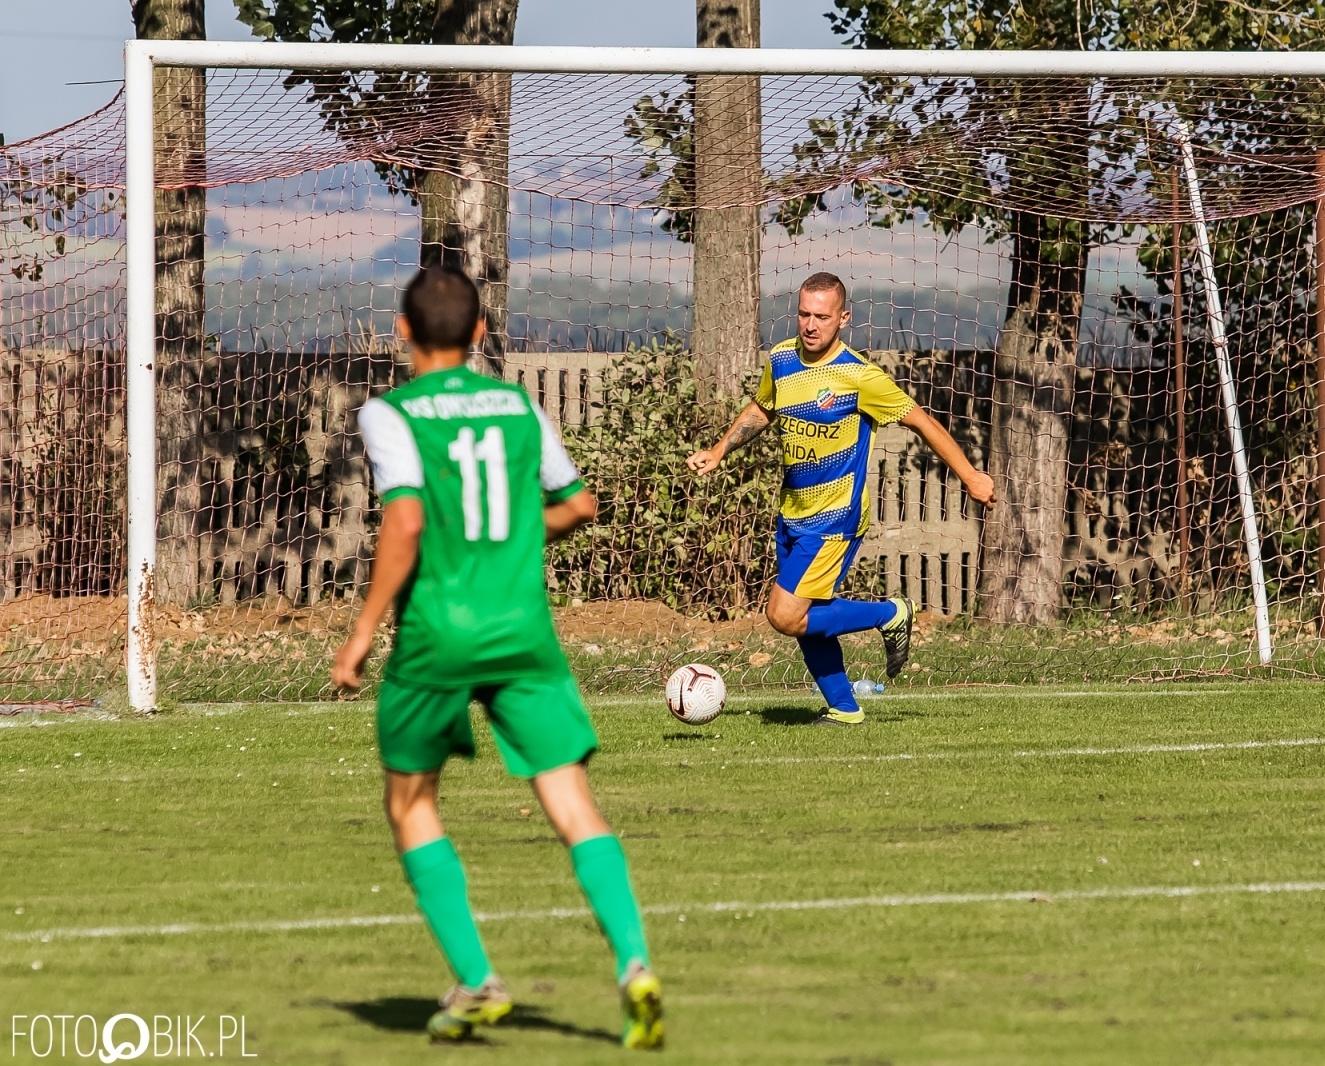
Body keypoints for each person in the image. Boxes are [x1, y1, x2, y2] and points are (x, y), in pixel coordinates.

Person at [332, 266, 663, 1049]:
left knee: (412, 804)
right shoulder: (516, 405)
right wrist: (515, 533)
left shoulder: (391, 414)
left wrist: (362, 632)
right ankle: (635, 967)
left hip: (438, 636)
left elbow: (406, 524)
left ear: (403, 332)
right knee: (572, 801)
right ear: (481, 334)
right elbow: (580, 505)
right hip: (523, 632)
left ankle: (477, 981)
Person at [687, 271, 997, 726]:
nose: (810, 325)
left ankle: (890, 613)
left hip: (836, 515)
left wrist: (970, 476)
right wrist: (719, 449)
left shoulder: (859, 377)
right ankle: (844, 708)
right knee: (805, 615)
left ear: (843, 318)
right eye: (804, 314)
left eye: (822, 316)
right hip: (792, 511)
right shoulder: (781, 360)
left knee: (784, 614)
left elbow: (922, 421)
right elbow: (762, 409)